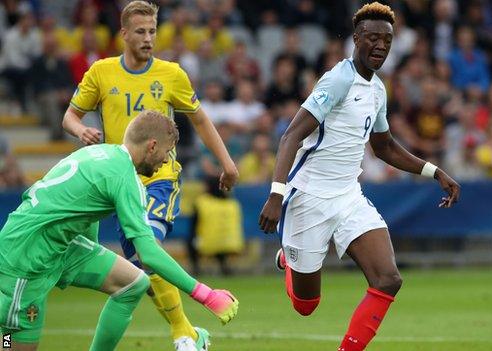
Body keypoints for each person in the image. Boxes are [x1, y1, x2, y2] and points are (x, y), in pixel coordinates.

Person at [258, 3, 460, 351]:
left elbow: (384, 147)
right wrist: (276, 195)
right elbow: (290, 136)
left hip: (349, 197)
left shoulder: (378, 89)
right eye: (372, 38)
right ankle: (287, 261)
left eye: (387, 40)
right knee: (306, 306)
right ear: (356, 39)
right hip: (308, 198)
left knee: (388, 279)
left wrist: (434, 171)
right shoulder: (338, 79)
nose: (380, 46)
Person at [61, 2, 239, 350]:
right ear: (123, 34)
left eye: (153, 31)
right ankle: (189, 333)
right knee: (144, 265)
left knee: (149, 248)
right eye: (140, 31)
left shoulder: (172, 74)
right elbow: (69, 116)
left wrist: (227, 163)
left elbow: (200, 119)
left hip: (160, 178)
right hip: (120, 185)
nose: (148, 38)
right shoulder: (101, 72)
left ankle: (182, 336)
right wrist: (80, 130)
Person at [0, 111, 238, 351]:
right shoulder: (124, 177)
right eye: (167, 152)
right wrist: (206, 295)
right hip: (26, 258)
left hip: (63, 245)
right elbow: (149, 255)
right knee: (9, 341)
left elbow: (83, 209)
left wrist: (90, 253)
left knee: (133, 283)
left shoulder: (99, 153)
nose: (166, 161)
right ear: (152, 146)